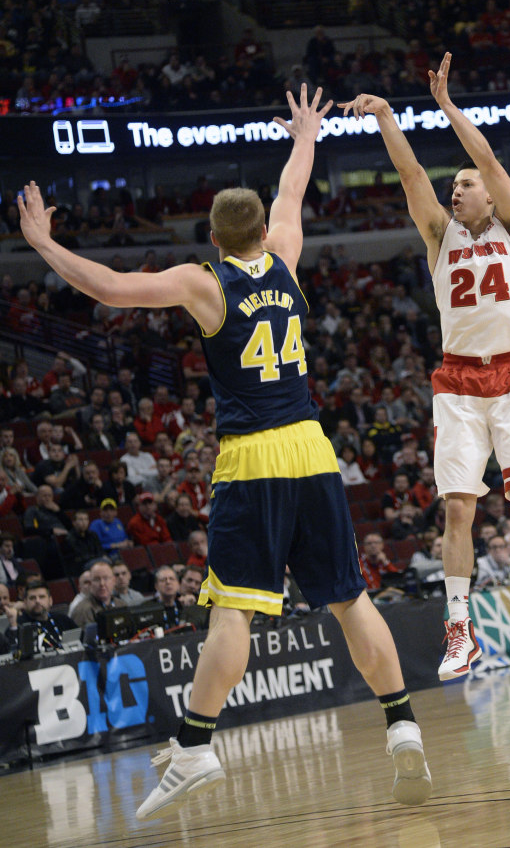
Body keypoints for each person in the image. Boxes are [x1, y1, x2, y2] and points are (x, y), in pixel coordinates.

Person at [18, 85, 431, 818]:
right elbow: (292, 191)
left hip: (254, 457)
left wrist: (45, 243)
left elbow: (111, 288)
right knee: (348, 597)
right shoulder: (287, 260)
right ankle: (402, 726)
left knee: (232, 614)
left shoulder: (204, 285)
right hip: (313, 447)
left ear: (213, 237)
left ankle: (197, 744)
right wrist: (305, 133)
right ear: (259, 233)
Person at [341, 51, 510, 680]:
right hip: (458, 381)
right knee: (458, 509)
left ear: (490, 191)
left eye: (464, 184)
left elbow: (487, 157)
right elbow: (409, 173)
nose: (455, 189)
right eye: (454, 185)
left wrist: (445, 105)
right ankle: (459, 633)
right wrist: (385, 114)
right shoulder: (439, 234)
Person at [71, 557, 127, 627]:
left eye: (106, 578)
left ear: (114, 581)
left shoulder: (121, 604)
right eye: (97, 579)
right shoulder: (83, 610)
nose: (102, 584)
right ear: (90, 583)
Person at [63, 509, 105, 576]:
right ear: (74, 522)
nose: (84, 522)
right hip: (80, 567)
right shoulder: (70, 538)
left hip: (95, 562)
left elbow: (100, 551)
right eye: (80, 519)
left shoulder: (93, 535)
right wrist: (97, 559)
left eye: (86, 519)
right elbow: (79, 557)